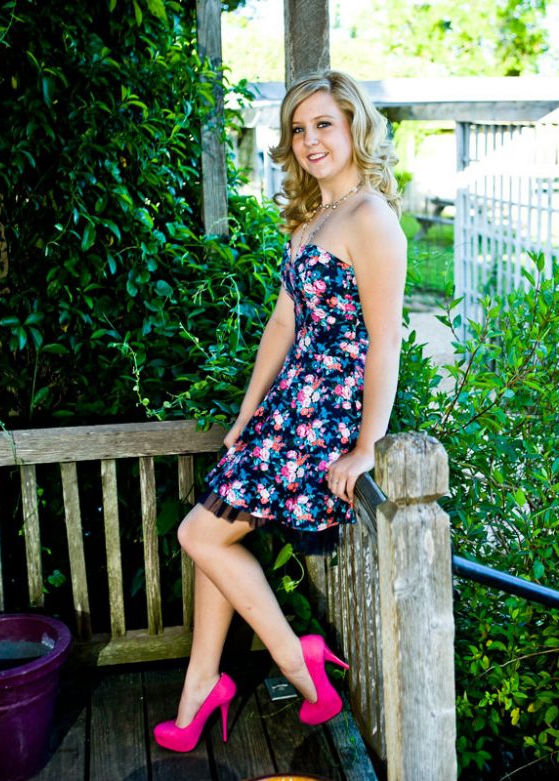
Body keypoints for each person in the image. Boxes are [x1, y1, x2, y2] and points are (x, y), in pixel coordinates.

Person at [153, 70, 406, 753]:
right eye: (298, 129)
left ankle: (299, 663)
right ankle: (200, 686)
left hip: (323, 415)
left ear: (355, 127)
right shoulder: (310, 217)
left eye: (324, 124)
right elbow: (282, 322)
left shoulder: (371, 217)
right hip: (286, 408)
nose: (309, 140)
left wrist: (366, 445)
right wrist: (246, 414)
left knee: (200, 534)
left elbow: (384, 340)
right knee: (214, 533)